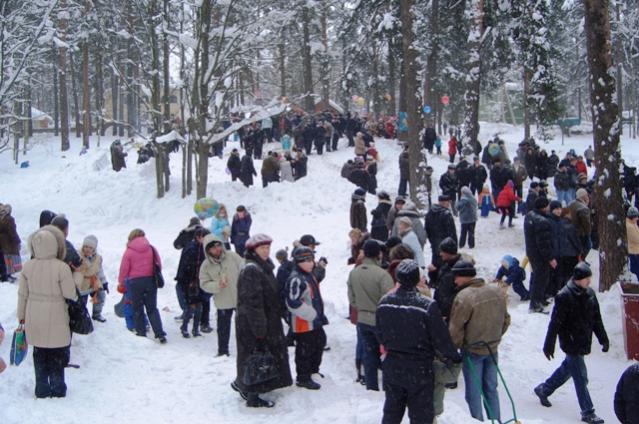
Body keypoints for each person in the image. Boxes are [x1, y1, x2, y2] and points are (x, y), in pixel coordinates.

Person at [376, 259, 462, 424]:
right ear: (417, 279)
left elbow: (379, 333)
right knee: (421, 415)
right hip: (419, 367)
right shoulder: (426, 305)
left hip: (393, 365)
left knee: (392, 411)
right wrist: (454, 357)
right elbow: (440, 338)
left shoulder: (384, 303)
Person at [534, 262, 608, 424]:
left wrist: (603, 339)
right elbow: (555, 323)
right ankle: (588, 412)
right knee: (581, 377)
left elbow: (596, 319)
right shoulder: (564, 296)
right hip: (571, 342)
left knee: (568, 369)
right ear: (578, 279)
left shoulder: (590, 294)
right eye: (587, 278)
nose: (589, 281)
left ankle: (544, 389)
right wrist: (549, 344)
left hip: (583, 340)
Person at [232, 234, 292, 408]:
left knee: (257, 357)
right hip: (255, 323)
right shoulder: (252, 270)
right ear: (253, 250)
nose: (266, 251)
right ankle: (252, 396)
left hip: (266, 321)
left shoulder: (263, 267)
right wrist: (259, 330)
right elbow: (253, 303)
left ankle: (242, 382)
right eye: (262, 248)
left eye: (267, 247)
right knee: (256, 358)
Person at [17, 225, 78, 398]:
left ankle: (41, 388)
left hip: (34, 315)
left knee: (39, 353)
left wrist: (21, 316)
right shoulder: (61, 267)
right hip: (56, 314)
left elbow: (22, 294)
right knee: (56, 353)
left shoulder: (28, 267)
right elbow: (69, 293)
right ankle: (58, 388)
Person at [449, 259, 511, 422]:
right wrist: (495, 337)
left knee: (474, 393)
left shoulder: (464, 297)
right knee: (491, 388)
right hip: (492, 349)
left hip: (472, 350)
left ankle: (477, 421)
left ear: (465, 277)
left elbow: (456, 329)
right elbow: (506, 320)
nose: (455, 281)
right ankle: (495, 420)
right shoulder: (496, 291)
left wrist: (454, 348)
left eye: (456, 277)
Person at [347, 239, 394, 391]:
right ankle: (388, 386)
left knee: (368, 354)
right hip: (380, 320)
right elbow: (389, 299)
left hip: (362, 319)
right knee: (386, 354)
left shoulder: (354, 273)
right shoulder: (382, 275)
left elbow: (352, 299)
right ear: (378, 254)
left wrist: (362, 308)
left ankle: (371, 386)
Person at [285, 246, 328, 390]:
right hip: (303, 323)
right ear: (298, 262)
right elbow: (292, 302)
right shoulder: (296, 279)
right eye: (307, 260)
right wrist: (311, 314)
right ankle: (303, 377)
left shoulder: (309, 275)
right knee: (305, 349)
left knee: (319, 342)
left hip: (314, 321)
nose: (311, 263)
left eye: (312, 260)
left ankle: (313, 370)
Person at [117, 229, 167, 343]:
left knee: (137, 308)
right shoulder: (151, 248)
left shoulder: (129, 251)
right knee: (152, 308)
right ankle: (160, 333)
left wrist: (121, 282)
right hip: (150, 281)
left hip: (135, 283)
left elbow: (124, 269)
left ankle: (141, 333)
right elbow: (158, 264)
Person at [200, 233, 243, 356]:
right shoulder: (206, 265)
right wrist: (217, 285)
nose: (217, 249)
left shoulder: (232, 256)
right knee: (223, 328)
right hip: (223, 301)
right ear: (208, 250)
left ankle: (247, 350)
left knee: (244, 326)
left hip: (240, 298)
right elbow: (204, 284)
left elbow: (244, 268)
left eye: (218, 245)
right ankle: (223, 351)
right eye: (213, 247)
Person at [175, 227, 208, 338]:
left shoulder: (203, 248)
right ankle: (184, 327)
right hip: (190, 281)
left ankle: (195, 329)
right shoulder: (191, 248)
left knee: (199, 306)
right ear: (198, 237)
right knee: (191, 306)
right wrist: (184, 280)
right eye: (203, 237)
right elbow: (185, 266)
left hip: (199, 280)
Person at [524, 197, 555, 313]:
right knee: (541, 279)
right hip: (540, 255)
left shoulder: (530, 216)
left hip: (532, 252)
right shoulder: (542, 222)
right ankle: (536, 303)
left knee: (538, 277)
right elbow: (543, 243)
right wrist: (550, 257)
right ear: (544, 207)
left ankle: (539, 300)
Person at [77, 235, 108, 322]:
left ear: (94, 249)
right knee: (82, 301)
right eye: (86, 246)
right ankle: (81, 317)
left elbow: (100, 271)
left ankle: (96, 314)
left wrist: (104, 282)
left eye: (90, 247)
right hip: (82, 281)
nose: (87, 249)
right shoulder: (78, 255)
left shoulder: (98, 258)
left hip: (93, 281)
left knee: (100, 296)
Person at [425, 195, 457, 270]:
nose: (448, 204)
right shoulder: (446, 214)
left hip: (435, 243)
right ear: (444, 202)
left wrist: (432, 240)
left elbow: (427, 229)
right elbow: (451, 231)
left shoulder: (430, 213)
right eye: (448, 202)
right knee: (445, 267)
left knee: (435, 265)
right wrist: (454, 245)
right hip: (446, 245)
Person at [0, 204, 21, 282]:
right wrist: (17, 241)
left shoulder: (1, 219)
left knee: (3, 259)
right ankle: (6, 276)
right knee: (8, 259)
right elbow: (12, 232)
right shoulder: (9, 219)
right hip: (8, 242)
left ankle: (4, 275)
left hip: (2, 243)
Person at [569, 188, 592, 259]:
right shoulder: (584, 208)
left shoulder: (570, 204)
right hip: (581, 234)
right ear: (584, 197)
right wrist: (588, 233)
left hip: (571, 232)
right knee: (587, 248)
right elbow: (586, 224)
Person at [626, 207, 639, 280]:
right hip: (634, 252)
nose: (637, 218)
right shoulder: (630, 227)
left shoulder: (633, 224)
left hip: (636, 251)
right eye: (636, 217)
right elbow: (636, 239)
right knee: (636, 270)